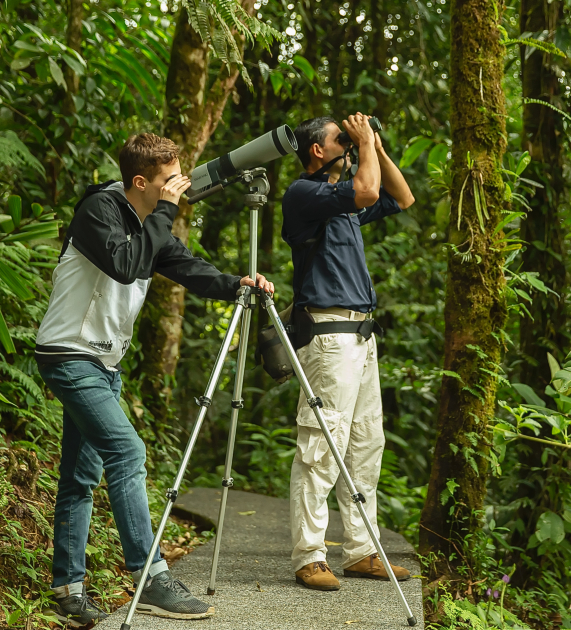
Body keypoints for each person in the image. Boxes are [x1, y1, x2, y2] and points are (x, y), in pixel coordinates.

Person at [35, 133, 275, 625]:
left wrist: (236, 285)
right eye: (169, 181)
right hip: (69, 356)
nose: (178, 188)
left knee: (80, 477)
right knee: (128, 452)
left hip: (103, 364)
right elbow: (126, 266)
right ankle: (150, 577)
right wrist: (165, 211)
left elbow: (187, 268)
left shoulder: (149, 224)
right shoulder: (99, 210)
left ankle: (68, 588)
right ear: (141, 182)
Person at [281, 113, 415, 591]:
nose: (351, 140)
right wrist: (362, 149)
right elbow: (365, 191)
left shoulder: (345, 200)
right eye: (342, 136)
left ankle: (362, 550)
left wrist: (371, 145)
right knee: (322, 444)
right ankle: (309, 555)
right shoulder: (305, 194)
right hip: (329, 334)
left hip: (361, 335)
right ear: (318, 149)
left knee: (364, 445)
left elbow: (401, 196)